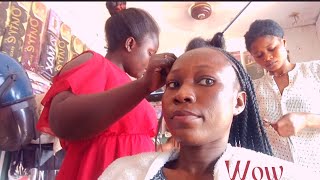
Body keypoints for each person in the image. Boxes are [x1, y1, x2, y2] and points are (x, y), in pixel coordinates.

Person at [99, 47, 319, 179]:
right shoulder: (123, 173)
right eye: (173, 84)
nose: (182, 94)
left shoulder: (285, 176)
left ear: (239, 102)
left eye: (206, 81)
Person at [36, 8, 176, 180]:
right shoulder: (94, 62)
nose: (151, 61)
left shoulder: (132, 86)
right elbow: (61, 123)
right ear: (130, 44)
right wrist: (143, 86)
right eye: (150, 53)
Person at [244, 19, 320, 173]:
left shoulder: (315, 71)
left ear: (283, 43)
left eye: (272, 48)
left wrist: (306, 120)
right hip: (280, 173)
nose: (267, 57)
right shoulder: (253, 89)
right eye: (259, 55)